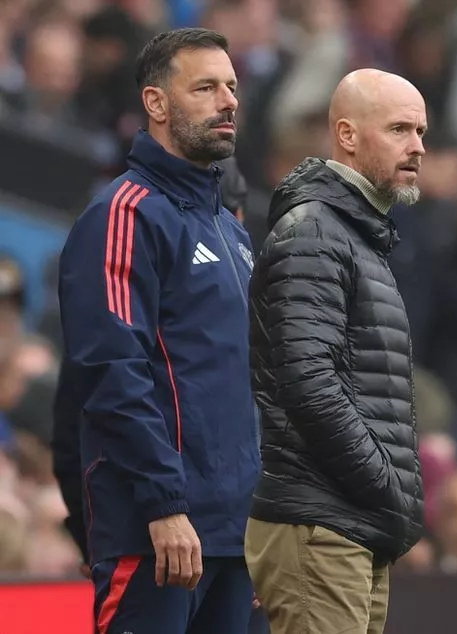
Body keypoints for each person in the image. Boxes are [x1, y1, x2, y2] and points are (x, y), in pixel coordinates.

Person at [53, 28, 260, 634]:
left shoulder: (232, 227)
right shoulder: (125, 212)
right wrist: (165, 504)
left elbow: (246, 384)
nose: (228, 101)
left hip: (231, 534)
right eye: (205, 87)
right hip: (157, 531)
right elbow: (113, 370)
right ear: (156, 103)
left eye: (231, 86)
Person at [245, 68, 426, 634]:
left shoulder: (355, 234)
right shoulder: (315, 232)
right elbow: (309, 385)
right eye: (399, 129)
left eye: (421, 132)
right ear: (346, 135)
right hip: (321, 521)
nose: (417, 147)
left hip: (348, 521)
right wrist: (385, 485)